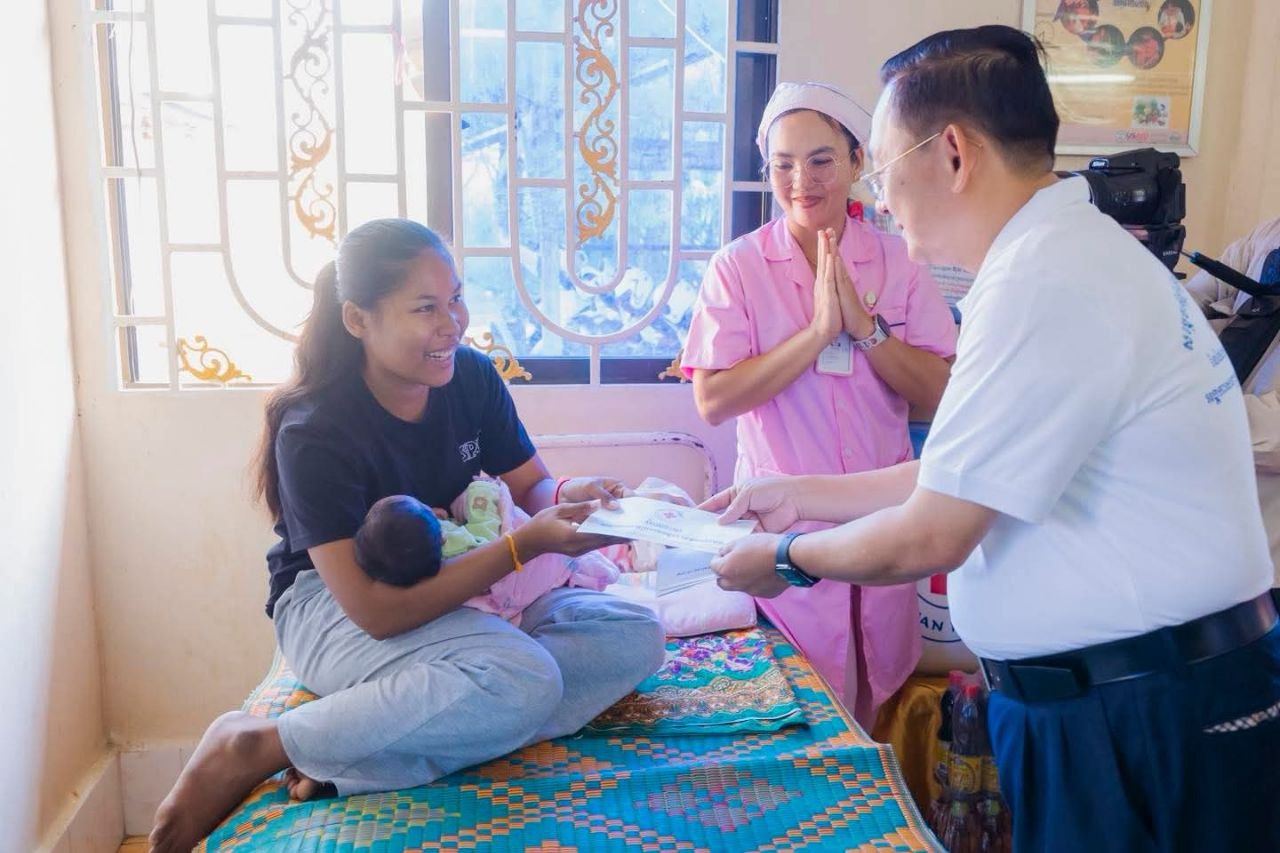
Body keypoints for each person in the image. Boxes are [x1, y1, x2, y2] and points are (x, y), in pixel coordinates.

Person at [705, 26, 1280, 852]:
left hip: (1142, 707)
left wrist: (789, 556)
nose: (882, 203)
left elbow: (935, 530)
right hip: (1132, 694)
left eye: (882, 171)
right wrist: (793, 494)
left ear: (952, 154)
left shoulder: (1045, 279)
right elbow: (955, 472)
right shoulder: (1057, 258)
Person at [150, 219, 666, 852]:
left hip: (472, 584)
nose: (453, 323)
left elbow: (532, 484)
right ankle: (262, 743)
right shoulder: (315, 430)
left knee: (634, 634)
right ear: (358, 319)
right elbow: (377, 612)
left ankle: (363, 754)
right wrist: (522, 547)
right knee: (523, 677)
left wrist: (570, 494)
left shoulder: (471, 377)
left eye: (456, 298)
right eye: (425, 308)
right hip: (337, 605)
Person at [680, 80, 957, 723]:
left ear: (857, 161)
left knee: (878, 697)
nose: (800, 181)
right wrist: (815, 336)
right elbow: (713, 400)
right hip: (782, 526)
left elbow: (940, 392)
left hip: (881, 518)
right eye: (782, 165)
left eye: (821, 161)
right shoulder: (738, 267)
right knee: (798, 712)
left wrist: (866, 330)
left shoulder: (900, 260)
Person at [1185, 215, 1280, 588]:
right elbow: (1189, 301)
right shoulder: (1269, 234)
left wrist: (1182, 413)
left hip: (1264, 553)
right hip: (1195, 522)